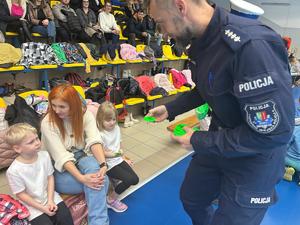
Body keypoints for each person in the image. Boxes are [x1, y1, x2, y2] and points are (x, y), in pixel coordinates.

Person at [146, 0, 294, 225]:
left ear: (180, 6)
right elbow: (209, 86)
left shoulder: (251, 47)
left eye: (160, 22)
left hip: (256, 157)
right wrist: (171, 108)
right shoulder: (203, 41)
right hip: (221, 139)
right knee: (192, 198)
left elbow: (273, 134)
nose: (163, 33)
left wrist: (197, 139)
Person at [41, 84, 109, 225]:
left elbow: (94, 140)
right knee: (102, 182)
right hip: (56, 167)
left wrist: (103, 164)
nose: (56, 110)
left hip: (80, 156)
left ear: (73, 105)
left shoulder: (85, 115)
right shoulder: (48, 123)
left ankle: (98, 222)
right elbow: (61, 157)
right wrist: (82, 178)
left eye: (62, 107)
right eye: (53, 105)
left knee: (96, 177)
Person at [5, 123, 74, 225]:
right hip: (32, 206)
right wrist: (43, 208)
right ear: (17, 148)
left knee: (66, 218)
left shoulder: (44, 155)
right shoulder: (13, 171)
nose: (37, 143)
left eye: (37, 138)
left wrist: (50, 200)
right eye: (31, 142)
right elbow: (21, 194)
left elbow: (50, 177)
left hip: (50, 196)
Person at [96, 101, 139, 212]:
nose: (112, 123)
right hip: (107, 164)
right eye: (108, 120)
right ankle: (110, 199)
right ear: (100, 120)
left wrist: (124, 158)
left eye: (114, 119)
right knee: (129, 179)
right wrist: (115, 154)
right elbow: (102, 153)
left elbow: (119, 146)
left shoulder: (117, 129)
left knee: (135, 179)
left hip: (118, 159)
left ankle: (114, 183)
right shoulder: (100, 134)